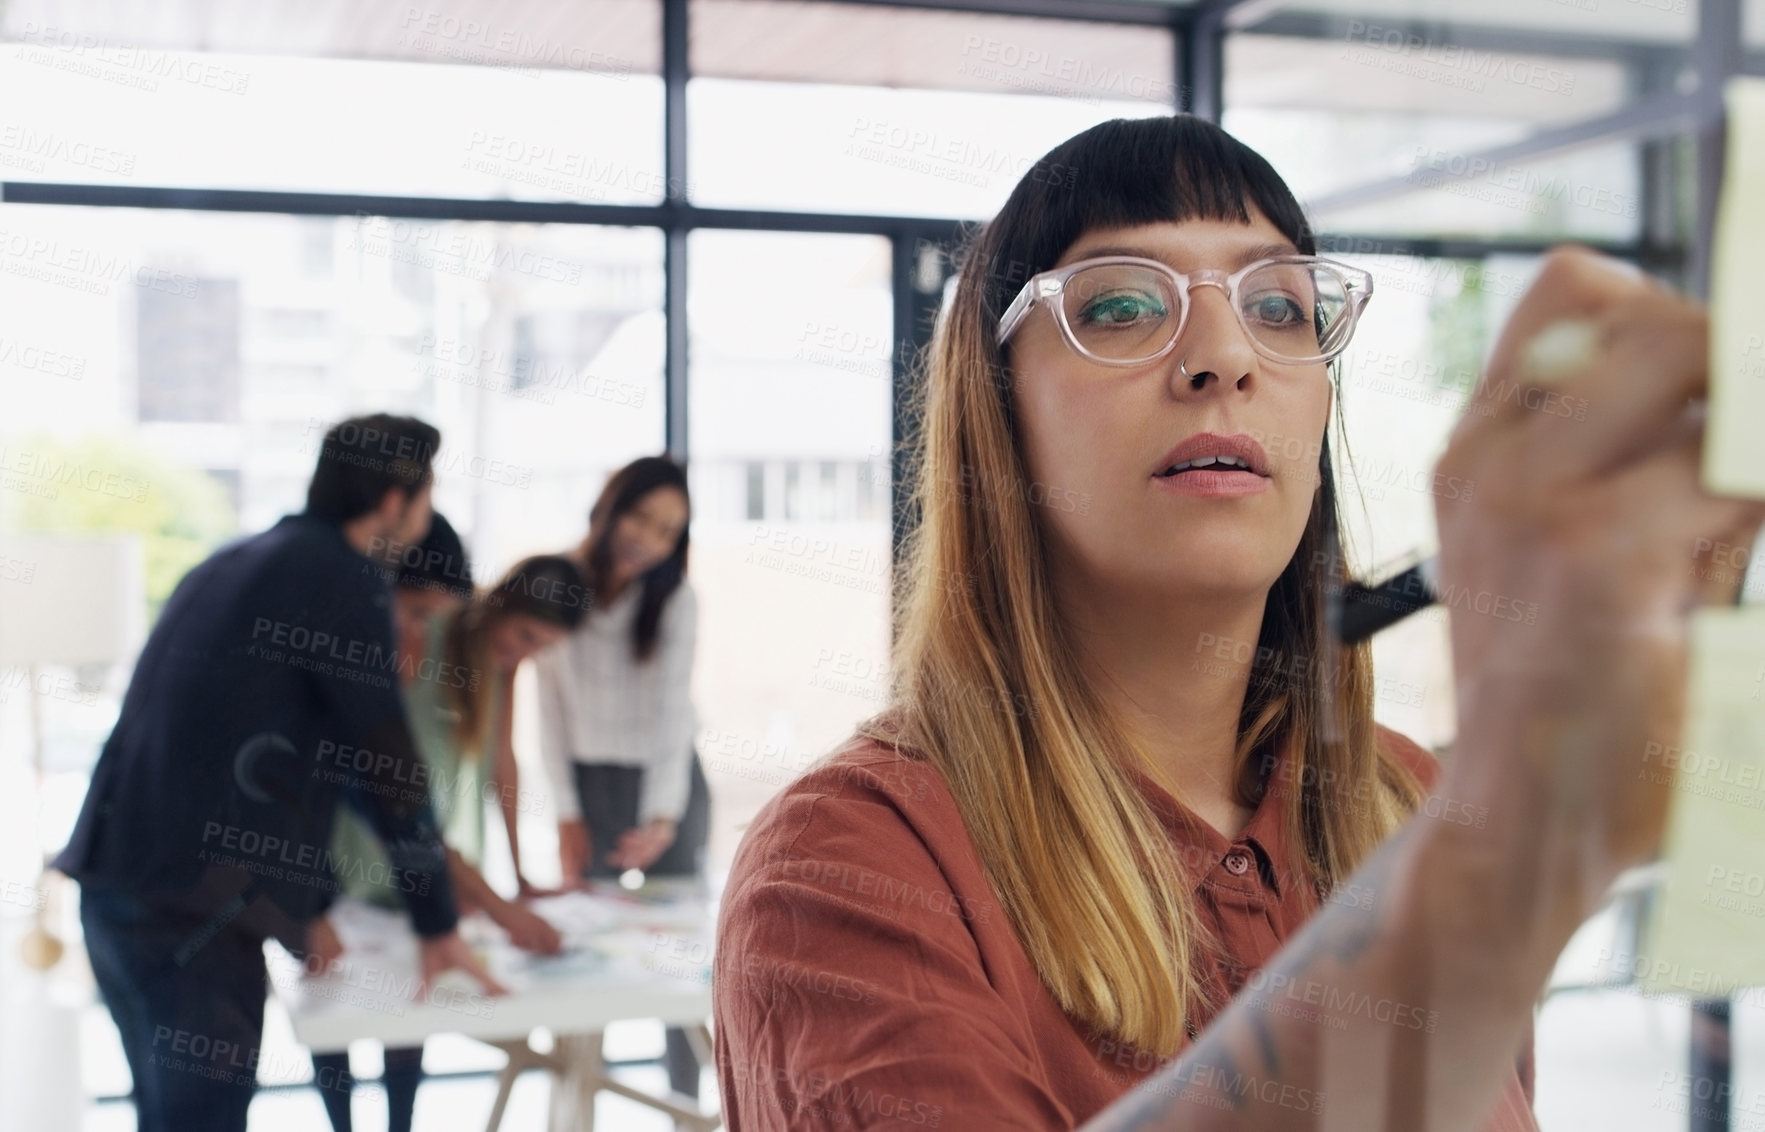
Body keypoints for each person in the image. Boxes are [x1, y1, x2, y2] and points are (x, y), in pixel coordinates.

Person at [711, 114, 1764, 1131]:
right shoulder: (846, 871)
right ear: (996, 416)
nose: (1224, 356)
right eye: (1120, 304)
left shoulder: (1406, 801)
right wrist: (1497, 872)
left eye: (1278, 306)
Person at [54, 414, 504, 1132]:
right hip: (191, 915)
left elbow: (279, 759)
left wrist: (315, 904)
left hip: (115, 895)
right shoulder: (344, 578)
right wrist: (438, 921)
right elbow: (385, 763)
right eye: (426, 497)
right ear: (395, 500)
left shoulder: (233, 560)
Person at [308, 523, 584, 1132]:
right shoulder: (420, 634)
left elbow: (502, 767)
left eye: (542, 647)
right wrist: (498, 903)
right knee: (336, 999)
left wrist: (520, 876)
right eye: (525, 635)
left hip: (437, 853)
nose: (526, 653)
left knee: (415, 995)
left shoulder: (504, 670)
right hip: (372, 845)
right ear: (499, 604)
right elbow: (401, 797)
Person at [531, 454, 710, 1099]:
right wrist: (567, 813)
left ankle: (688, 1104)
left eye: (669, 532)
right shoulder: (558, 582)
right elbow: (548, 712)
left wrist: (663, 816)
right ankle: (571, 1100)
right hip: (591, 784)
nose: (651, 540)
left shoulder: (676, 600)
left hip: (671, 785)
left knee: (678, 956)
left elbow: (669, 713)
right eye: (642, 518)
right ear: (610, 506)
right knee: (585, 952)